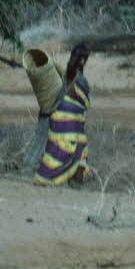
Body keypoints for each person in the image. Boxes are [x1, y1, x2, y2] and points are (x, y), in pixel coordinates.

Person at [35, 43, 91, 186]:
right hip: (70, 127)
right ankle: (73, 182)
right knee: (76, 155)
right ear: (83, 60)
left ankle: (65, 180)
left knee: (59, 158)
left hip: (63, 125)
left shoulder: (68, 76)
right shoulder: (76, 77)